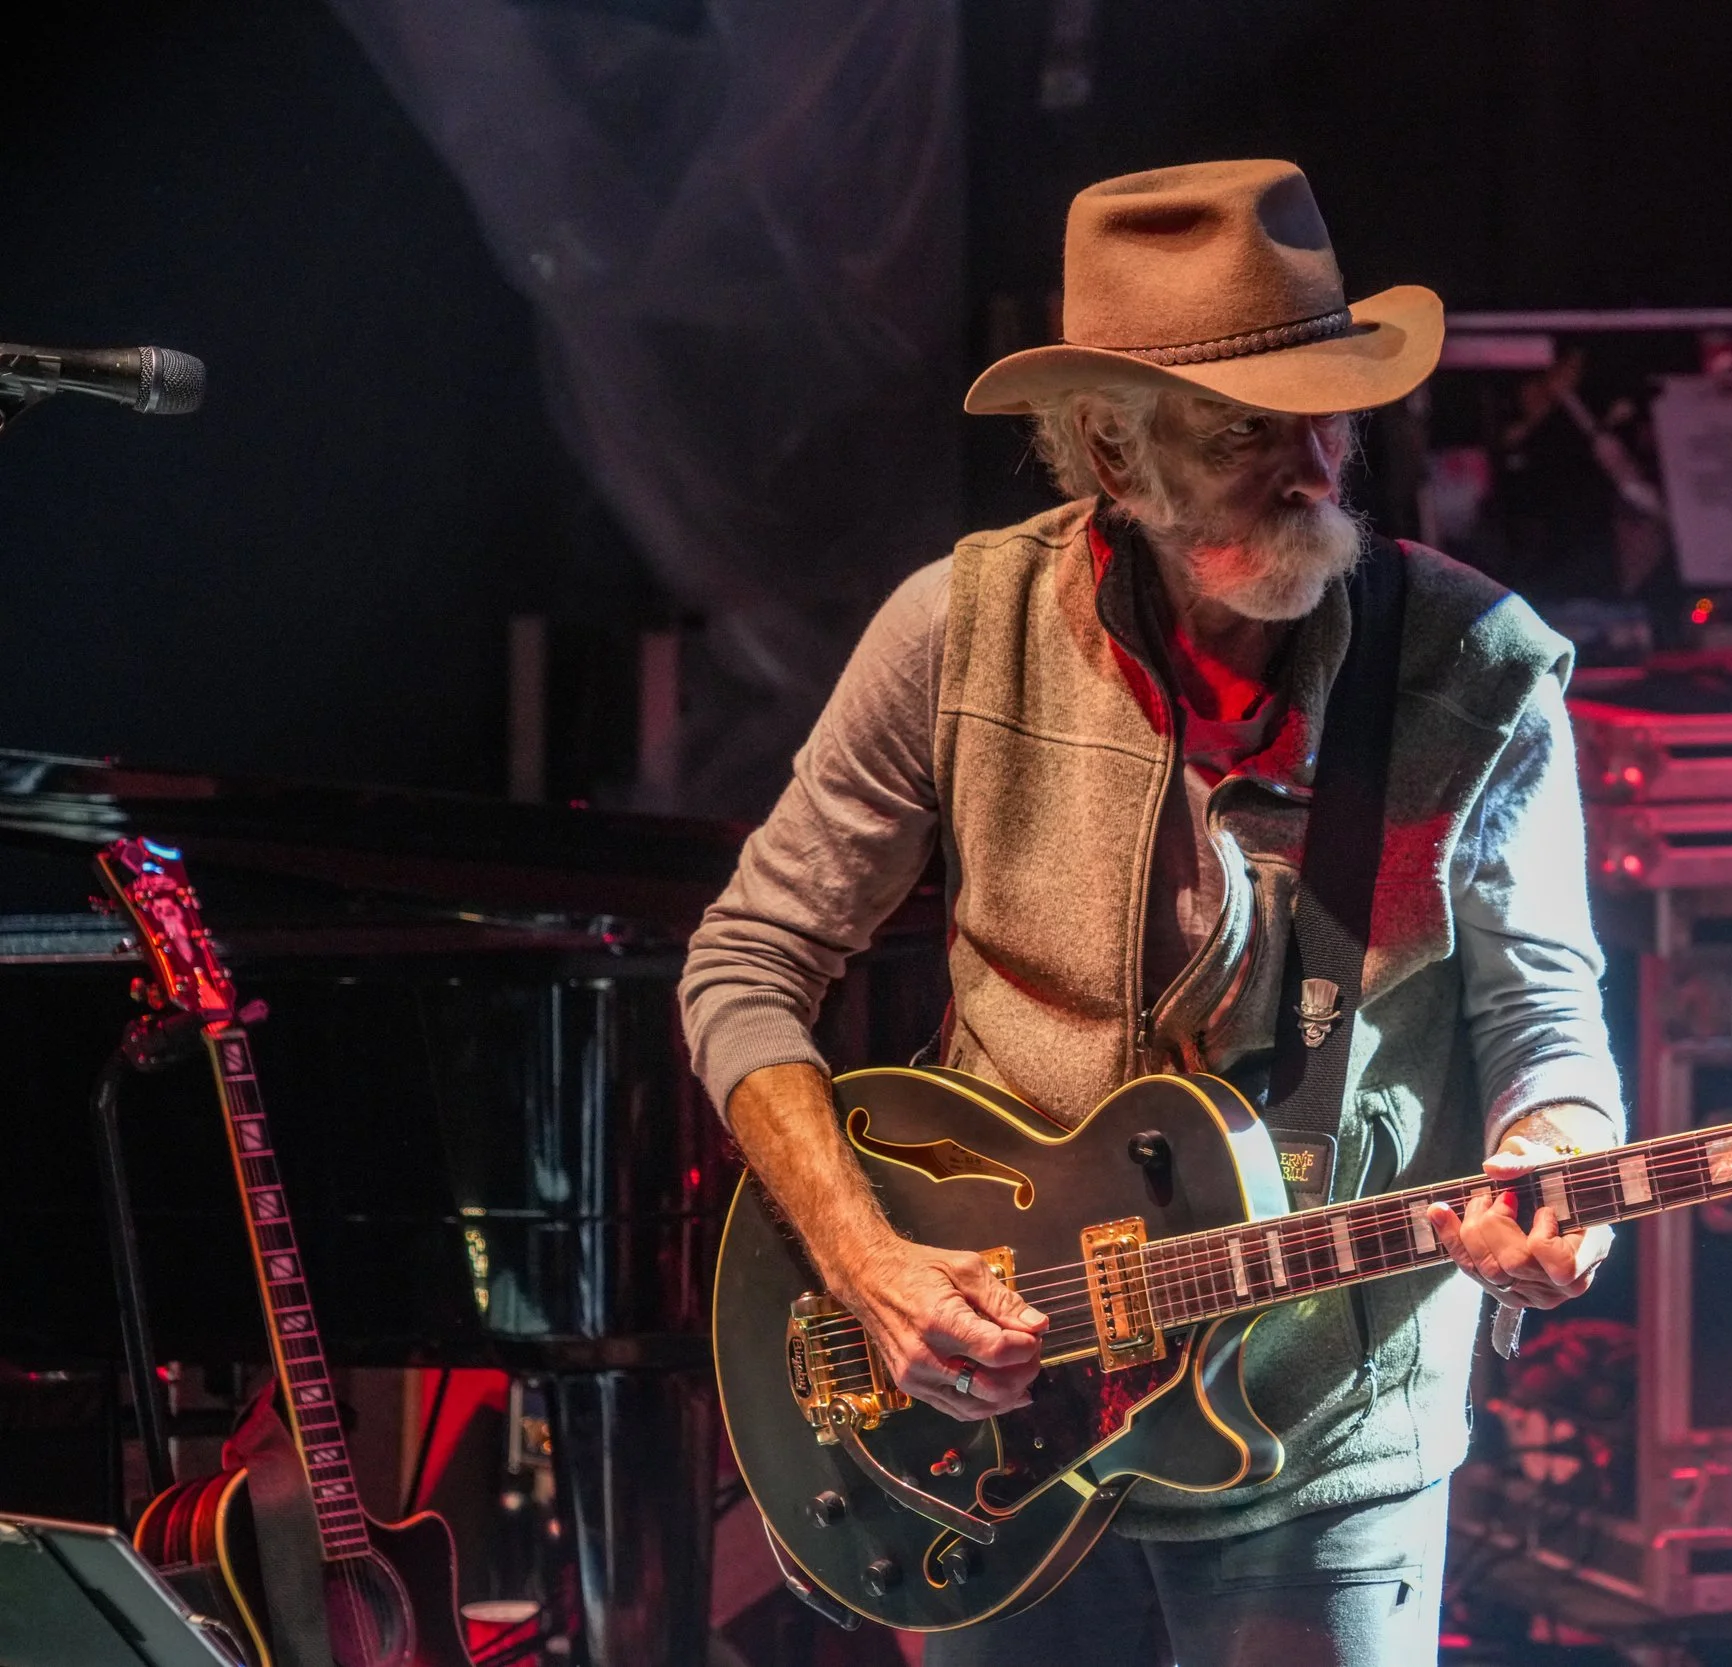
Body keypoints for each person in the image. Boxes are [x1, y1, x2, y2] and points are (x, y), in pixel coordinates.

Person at [680, 158, 1623, 1666]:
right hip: (995, 1416)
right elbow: (747, 962)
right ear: (1113, 449)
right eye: (1248, 428)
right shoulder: (958, 629)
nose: (1311, 467)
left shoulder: (1481, 664)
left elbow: (1542, 1012)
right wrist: (865, 1261)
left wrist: (1559, 1153)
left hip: (1327, 1433)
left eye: (1330, 415)